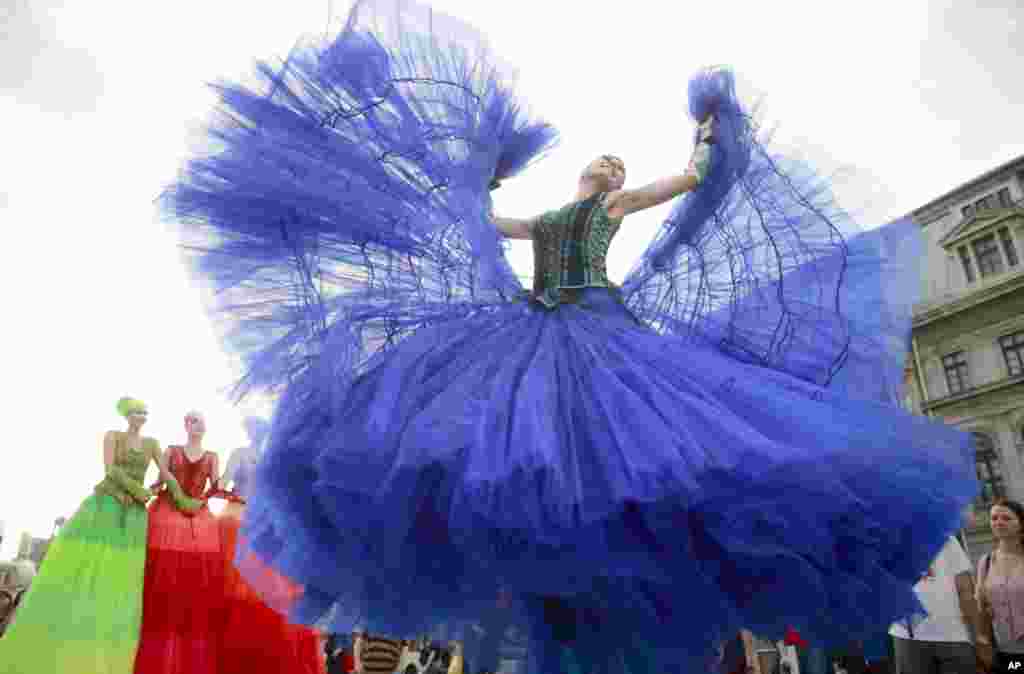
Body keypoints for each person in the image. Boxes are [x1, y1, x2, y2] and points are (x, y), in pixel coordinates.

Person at [162, 0, 977, 670]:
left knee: (598, 462)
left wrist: (704, 139)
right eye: (609, 166)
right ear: (589, 168)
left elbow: (684, 182)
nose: (615, 174)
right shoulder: (556, 210)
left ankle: (605, 610)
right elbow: (496, 223)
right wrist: (465, 186)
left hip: (595, 331)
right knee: (513, 461)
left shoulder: (608, 208)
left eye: (621, 171)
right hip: (531, 330)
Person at [0, 397, 184, 674]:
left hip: (133, 515)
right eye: (135, 412)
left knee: (120, 576)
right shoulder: (112, 436)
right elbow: (110, 470)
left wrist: (180, 496)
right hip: (105, 506)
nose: (141, 416)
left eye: (144, 412)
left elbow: (166, 473)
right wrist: (140, 490)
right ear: (126, 415)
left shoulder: (152, 444)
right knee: (86, 568)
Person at [217, 416, 326, 674]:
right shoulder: (242, 454)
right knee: (236, 590)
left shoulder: (274, 463)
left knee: (262, 593)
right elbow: (223, 482)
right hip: (238, 520)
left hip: (262, 526)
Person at [133, 411, 221, 674]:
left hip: (199, 520)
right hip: (166, 517)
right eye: (194, 420)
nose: (199, 424)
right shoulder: (171, 451)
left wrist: (200, 502)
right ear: (185, 425)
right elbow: (159, 481)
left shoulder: (213, 456)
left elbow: (215, 487)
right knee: (161, 579)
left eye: (202, 421)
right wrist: (140, 494)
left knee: (193, 586)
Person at [888, 514, 979, 674]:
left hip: (952, 633)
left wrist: (979, 635)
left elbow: (966, 591)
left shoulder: (948, 541)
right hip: (907, 635)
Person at [976, 499, 1024, 672]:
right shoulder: (986, 562)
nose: (999, 522)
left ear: (1021, 523)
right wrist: (982, 641)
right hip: (1003, 650)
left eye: (1006, 518)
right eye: (994, 518)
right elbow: (982, 608)